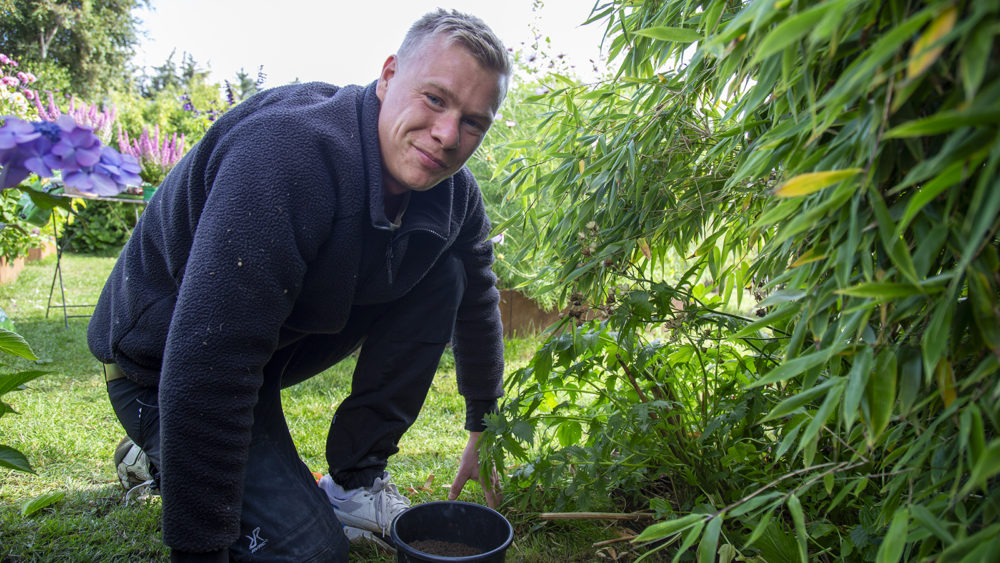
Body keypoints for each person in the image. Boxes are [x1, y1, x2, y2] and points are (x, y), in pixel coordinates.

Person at [87, 9, 510, 561]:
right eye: (434, 98)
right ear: (388, 76)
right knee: (311, 554)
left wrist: (483, 425)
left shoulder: (455, 194)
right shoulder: (287, 155)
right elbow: (210, 359)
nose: (448, 135)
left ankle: (356, 481)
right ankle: (163, 443)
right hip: (162, 361)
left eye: (473, 122)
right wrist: (200, 546)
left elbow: (477, 296)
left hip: (270, 347)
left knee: (446, 273)